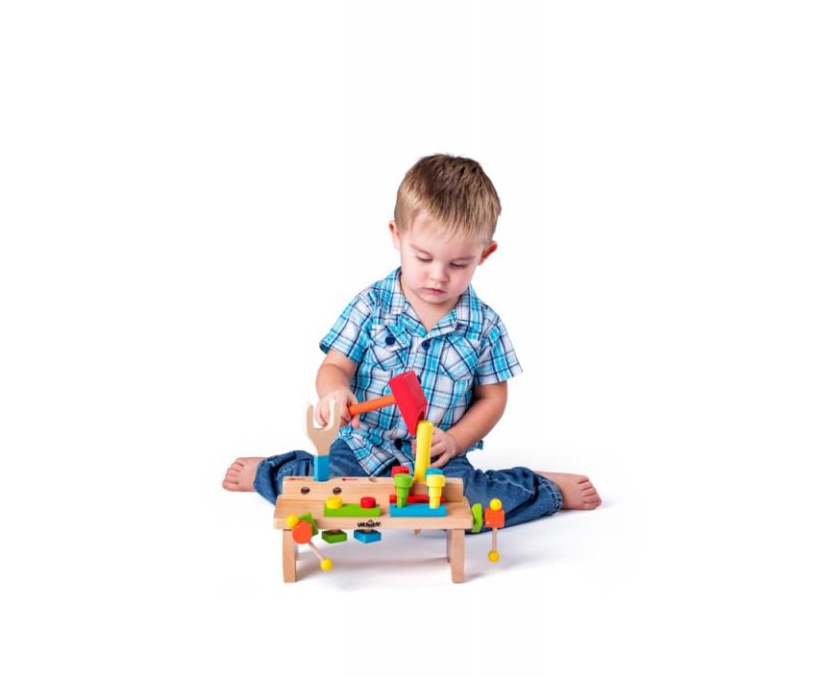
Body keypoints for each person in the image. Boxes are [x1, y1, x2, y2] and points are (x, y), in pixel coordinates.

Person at [223, 154, 600, 525]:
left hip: (436, 459)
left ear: (484, 254)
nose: (438, 276)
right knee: (323, 492)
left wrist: (456, 440)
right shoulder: (372, 305)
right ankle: (267, 470)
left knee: (474, 506)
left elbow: (493, 398)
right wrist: (334, 393)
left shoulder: (485, 326)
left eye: (458, 264)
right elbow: (335, 366)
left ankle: (545, 488)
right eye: (423, 258)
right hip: (362, 448)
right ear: (397, 235)